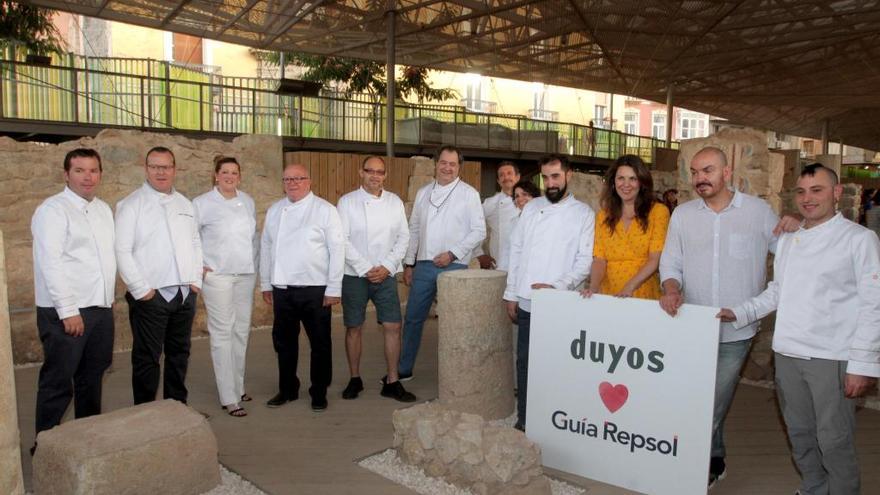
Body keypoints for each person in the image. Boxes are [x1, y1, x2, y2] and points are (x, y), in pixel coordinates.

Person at [719, 164, 880, 495]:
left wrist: (862, 366)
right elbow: (778, 291)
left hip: (831, 357)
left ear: (836, 193)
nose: (808, 199)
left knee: (834, 439)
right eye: (802, 191)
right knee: (800, 433)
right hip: (787, 353)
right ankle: (814, 488)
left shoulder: (860, 239)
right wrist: (739, 312)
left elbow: (872, 304)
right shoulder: (790, 241)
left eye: (817, 190)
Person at [658, 146, 797, 489]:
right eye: (695, 172)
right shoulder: (683, 215)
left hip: (737, 330)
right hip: (692, 328)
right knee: (700, 399)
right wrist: (671, 288)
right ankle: (715, 459)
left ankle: (691, 468)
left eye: (707, 170)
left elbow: (791, 254)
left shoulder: (757, 211)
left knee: (710, 405)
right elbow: (670, 262)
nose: (700, 178)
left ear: (727, 173)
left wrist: (797, 225)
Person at [31, 148, 116, 453]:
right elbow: (50, 263)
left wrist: (107, 302)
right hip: (66, 311)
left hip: (100, 308)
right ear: (66, 174)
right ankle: (45, 448)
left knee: (92, 377)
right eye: (79, 170)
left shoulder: (104, 209)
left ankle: (87, 440)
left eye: (93, 170)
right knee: (59, 380)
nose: (87, 177)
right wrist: (68, 311)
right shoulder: (52, 210)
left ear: (100, 174)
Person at [504, 153, 595, 431]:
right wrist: (511, 293)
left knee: (559, 366)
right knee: (526, 363)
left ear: (569, 176)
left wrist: (557, 287)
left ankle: (559, 423)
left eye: (556, 176)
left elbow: (584, 261)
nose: (550, 183)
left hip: (562, 305)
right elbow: (517, 250)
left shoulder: (584, 214)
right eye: (545, 177)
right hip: (528, 302)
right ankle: (525, 420)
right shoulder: (531, 209)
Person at [116, 146, 203, 405]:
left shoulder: (185, 204)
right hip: (151, 297)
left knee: (179, 354)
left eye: (166, 166)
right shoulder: (131, 204)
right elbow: (122, 249)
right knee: (147, 358)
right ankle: (145, 414)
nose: (161, 172)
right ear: (146, 169)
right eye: (155, 166)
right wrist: (141, 290)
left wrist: (195, 281)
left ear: (175, 170)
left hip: (184, 294)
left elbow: (196, 242)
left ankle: (176, 408)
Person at [260, 163, 344, 411]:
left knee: (320, 343)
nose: (293, 183)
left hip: (316, 288)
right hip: (283, 288)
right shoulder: (275, 210)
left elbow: (338, 249)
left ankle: (319, 391)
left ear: (309, 181)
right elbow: (266, 248)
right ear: (283, 182)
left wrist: (334, 288)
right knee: (284, 343)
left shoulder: (325, 210)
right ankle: (287, 389)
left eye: (298, 178)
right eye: (288, 179)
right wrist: (266, 283)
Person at [399, 145, 486, 380]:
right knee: (413, 319)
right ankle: (403, 370)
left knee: (456, 323)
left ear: (459, 167)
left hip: (455, 267)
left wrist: (453, 253)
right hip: (425, 265)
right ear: (436, 164)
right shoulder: (423, 193)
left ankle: (459, 374)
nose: (447, 167)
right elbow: (414, 228)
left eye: (453, 164)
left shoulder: (469, 194)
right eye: (443, 163)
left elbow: (479, 231)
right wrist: (409, 263)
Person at [336, 156, 415, 402]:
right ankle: (355, 379)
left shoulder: (394, 202)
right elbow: (342, 239)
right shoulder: (347, 202)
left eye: (379, 172)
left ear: (385, 175)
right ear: (361, 173)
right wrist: (366, 267)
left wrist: (388, 266)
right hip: (355, 274)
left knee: (393, 326)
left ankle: (392, 381)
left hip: (386, 274)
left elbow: (404, 237)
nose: (375, 176)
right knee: (354, 327)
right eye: (370, 171)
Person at [193, 156, 258, 417]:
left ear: (239, 176)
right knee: (222, 333)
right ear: (216, 175)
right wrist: (200, 265)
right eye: (225, 172)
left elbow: (252, 238)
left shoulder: (248, 201)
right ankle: (228, 397)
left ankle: (238, 386)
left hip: (245, 274)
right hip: (217, 276)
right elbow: (190, 237)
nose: (230, 176)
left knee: (241, 331)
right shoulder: (202, 203)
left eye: (234, 172)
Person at [583, 155, 669, 299]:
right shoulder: (602, 216)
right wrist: (593, 287)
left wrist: (629, 287)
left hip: (642, 293)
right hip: (608, 294)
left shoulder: (658, 212)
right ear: (613, 182)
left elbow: (655, 259)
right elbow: (599, 259)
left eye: (632, 178)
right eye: (621, 178)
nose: (626, 184)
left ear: (642, 182)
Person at [476, 161, 521, 271]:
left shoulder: (531, 201)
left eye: (509, 173)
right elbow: (473, 225)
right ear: (498, 181)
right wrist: (479, 253)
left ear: (518, 177)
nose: (506, 177)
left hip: (526, 263)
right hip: (500, 264)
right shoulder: (490, 203)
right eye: (501, 175)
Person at [497, 180, 541, 270]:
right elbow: (506, 251)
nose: (520, 199)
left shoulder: (543, 221)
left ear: (535, 197)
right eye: (517, 196)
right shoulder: (512, 222)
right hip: (514, 273)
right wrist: (501, 272)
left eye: (525, 194)